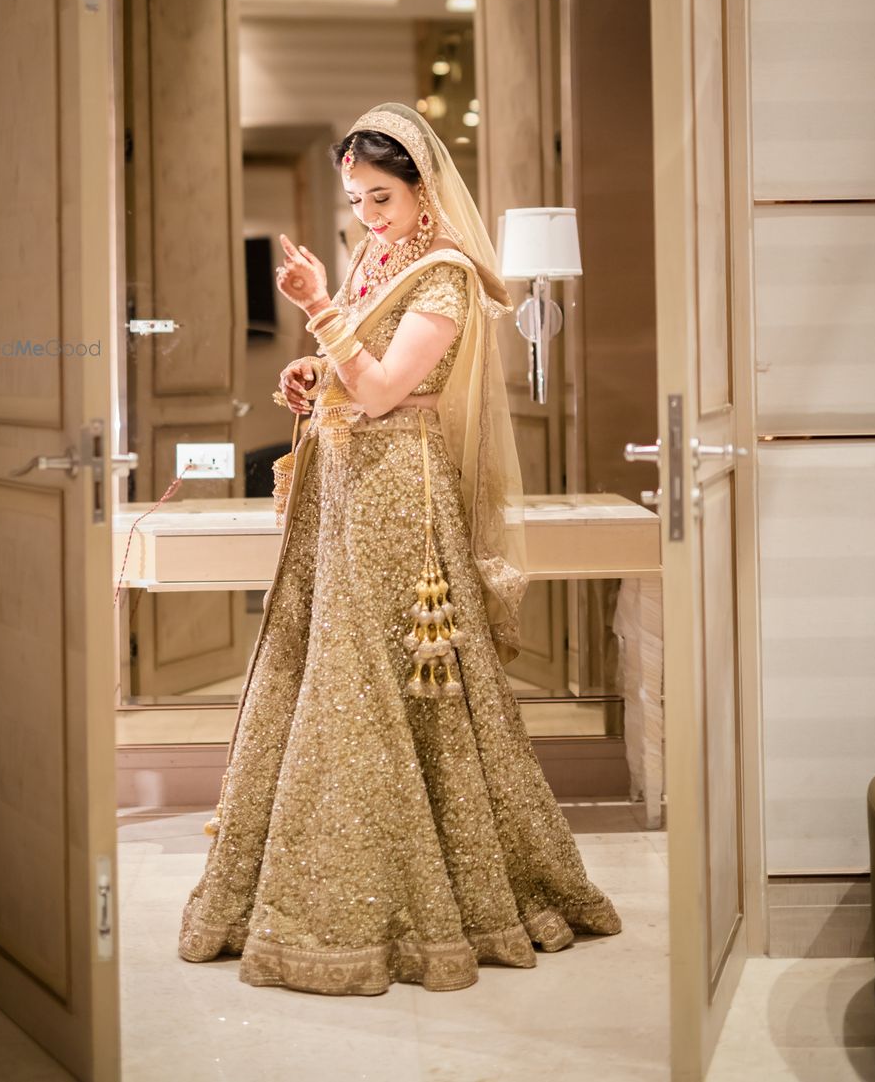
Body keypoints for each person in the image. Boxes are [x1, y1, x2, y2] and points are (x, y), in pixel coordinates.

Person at [178, 103, 621, 994]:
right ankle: (308, 883)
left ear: (424, 189)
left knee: (383, 677)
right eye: (356, 200)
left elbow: (383, 389)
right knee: (327, 673)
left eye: (381, 196)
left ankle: (432, 896)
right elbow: (351, 375)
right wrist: (311, 374)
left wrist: (318, 310)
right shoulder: (378, 262)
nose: (367, 215)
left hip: (397, 496)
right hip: (344, 485)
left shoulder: (446, 276)